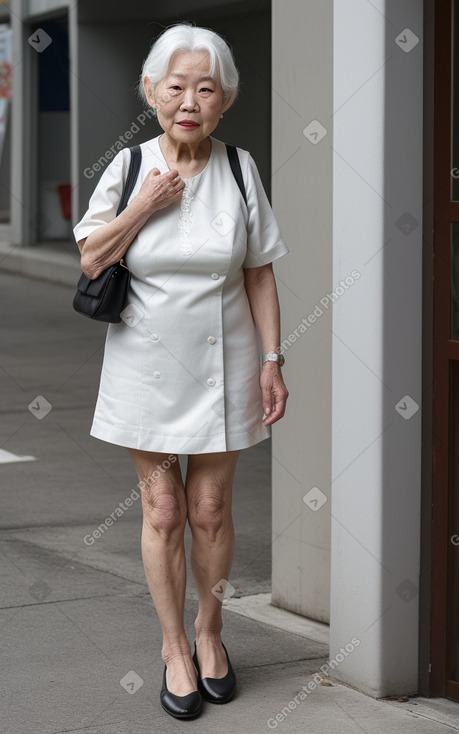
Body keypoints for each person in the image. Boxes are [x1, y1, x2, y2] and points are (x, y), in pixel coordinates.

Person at [74, 22, 289, 720]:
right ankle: (173, 648)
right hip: (144, 366)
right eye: (176, 86)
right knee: (163, 510)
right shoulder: (129, 166)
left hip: (224, 366)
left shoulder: (237, 168)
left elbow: (258, 274)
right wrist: (144, 206)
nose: (189, 100)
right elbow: (91, 258)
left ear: (224, 98)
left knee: (210, 509)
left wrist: (271, 360)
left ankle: (210, 632)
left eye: (205, 87)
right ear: (151, 91)